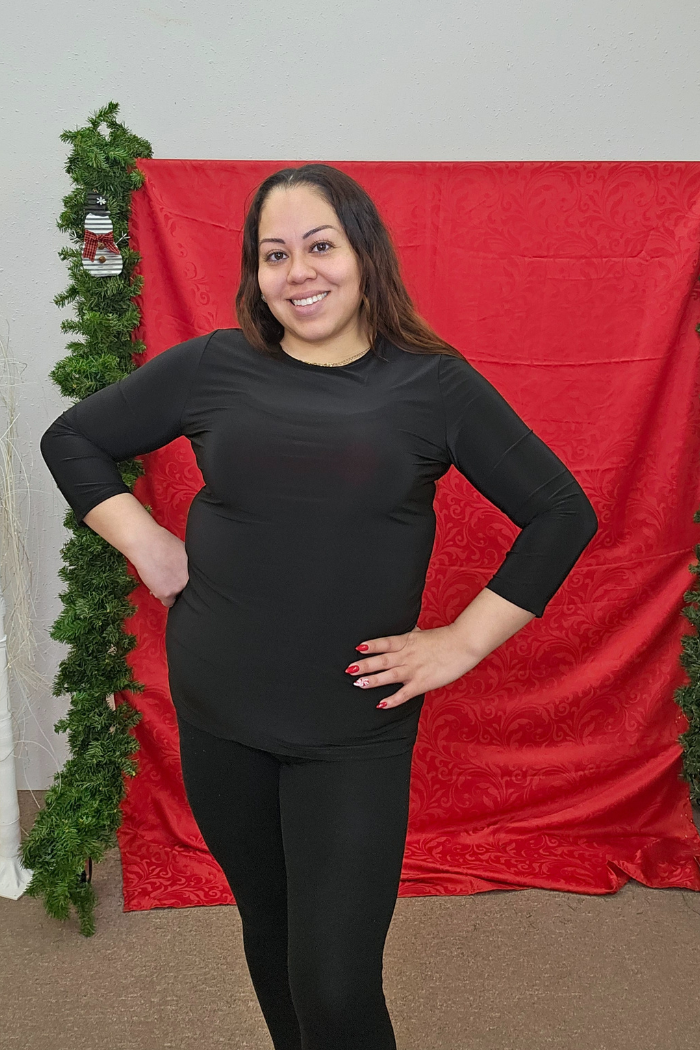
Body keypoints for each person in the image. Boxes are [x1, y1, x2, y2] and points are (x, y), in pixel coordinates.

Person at [40, 163, 598, 1050]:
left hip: (351, 730)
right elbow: (72, 437)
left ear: (364, 254)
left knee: (334, 986)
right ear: (256, 273)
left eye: (319, 246)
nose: (298, 272)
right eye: (274, 254)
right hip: (219, 709)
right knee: (271, 933)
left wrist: (463, 641)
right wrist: (146, 542)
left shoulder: (433, 384)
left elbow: (562, 511)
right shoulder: (214, 364)